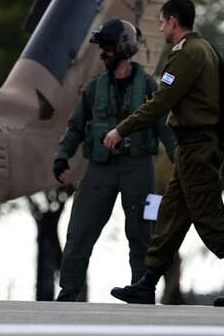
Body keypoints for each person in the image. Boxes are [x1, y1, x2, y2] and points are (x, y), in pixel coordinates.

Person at [107, 0, 224, 307]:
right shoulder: (204, 49)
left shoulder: (188, 54)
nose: (160, 28)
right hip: (193, 149)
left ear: (174, 21)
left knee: (209, 217)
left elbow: (160, 102)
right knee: (171, 216)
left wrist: (122, 129)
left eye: (161, 22)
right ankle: (146, 284)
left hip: (198, 148)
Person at [51, 18, 176, 302]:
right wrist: (61, 157)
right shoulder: (94, 89)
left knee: (143, 233)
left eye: (107, 46)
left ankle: (142, 290)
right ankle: (69, 291)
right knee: (80, 230)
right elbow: (74, 127)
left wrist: (180, 164)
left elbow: (166, 129)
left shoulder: (148, 87)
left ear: (123, 46)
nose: (102, 52)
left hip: (139, 168)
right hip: (100, 170)